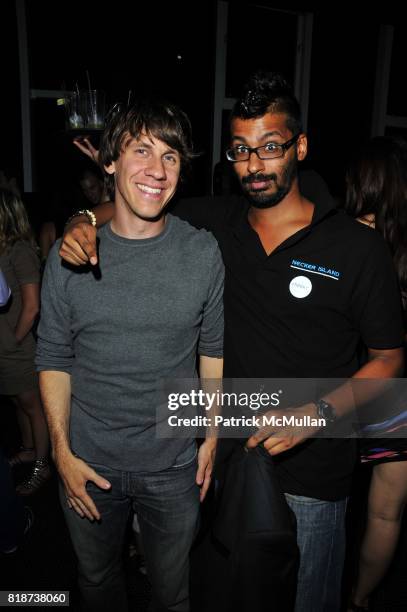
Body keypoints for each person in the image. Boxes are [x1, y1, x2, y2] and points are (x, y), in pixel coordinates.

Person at [58, 72, 404, 612]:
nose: (254, 165)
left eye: (270, 147)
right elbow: (137, 206)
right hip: (222, 464)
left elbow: (389, 361)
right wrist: (81, 220)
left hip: (311, 471)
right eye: (241, 150)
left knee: (307, 599)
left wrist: (316, 414)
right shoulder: (216, 223)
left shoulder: (357, 247)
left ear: (300, 146)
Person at [36, 98, 224, 612]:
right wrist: (61, 453)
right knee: (97, 584)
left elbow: (212, 353)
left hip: (173, 463)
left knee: (172, 594)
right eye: (141, 150)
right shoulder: (70, 256)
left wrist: (210, 438)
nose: (157, 170)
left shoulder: (202, 251)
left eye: (170, 156)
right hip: (89, 462)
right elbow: (53, 357)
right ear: (111, 162)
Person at [344, 136, 407, 612]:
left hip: (355, 380)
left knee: (331, 497)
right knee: (385, 513)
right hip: (398, 393)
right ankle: (360, 599)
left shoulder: (345, 239)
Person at [0, 187, 50, 495]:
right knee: (19, 402)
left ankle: (41, 467)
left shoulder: (19, 250)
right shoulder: (3, 249)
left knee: (34, 407)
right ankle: (29, 449)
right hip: (6, 347)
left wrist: (12, 342)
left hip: (17, 348)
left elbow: (32, 307)